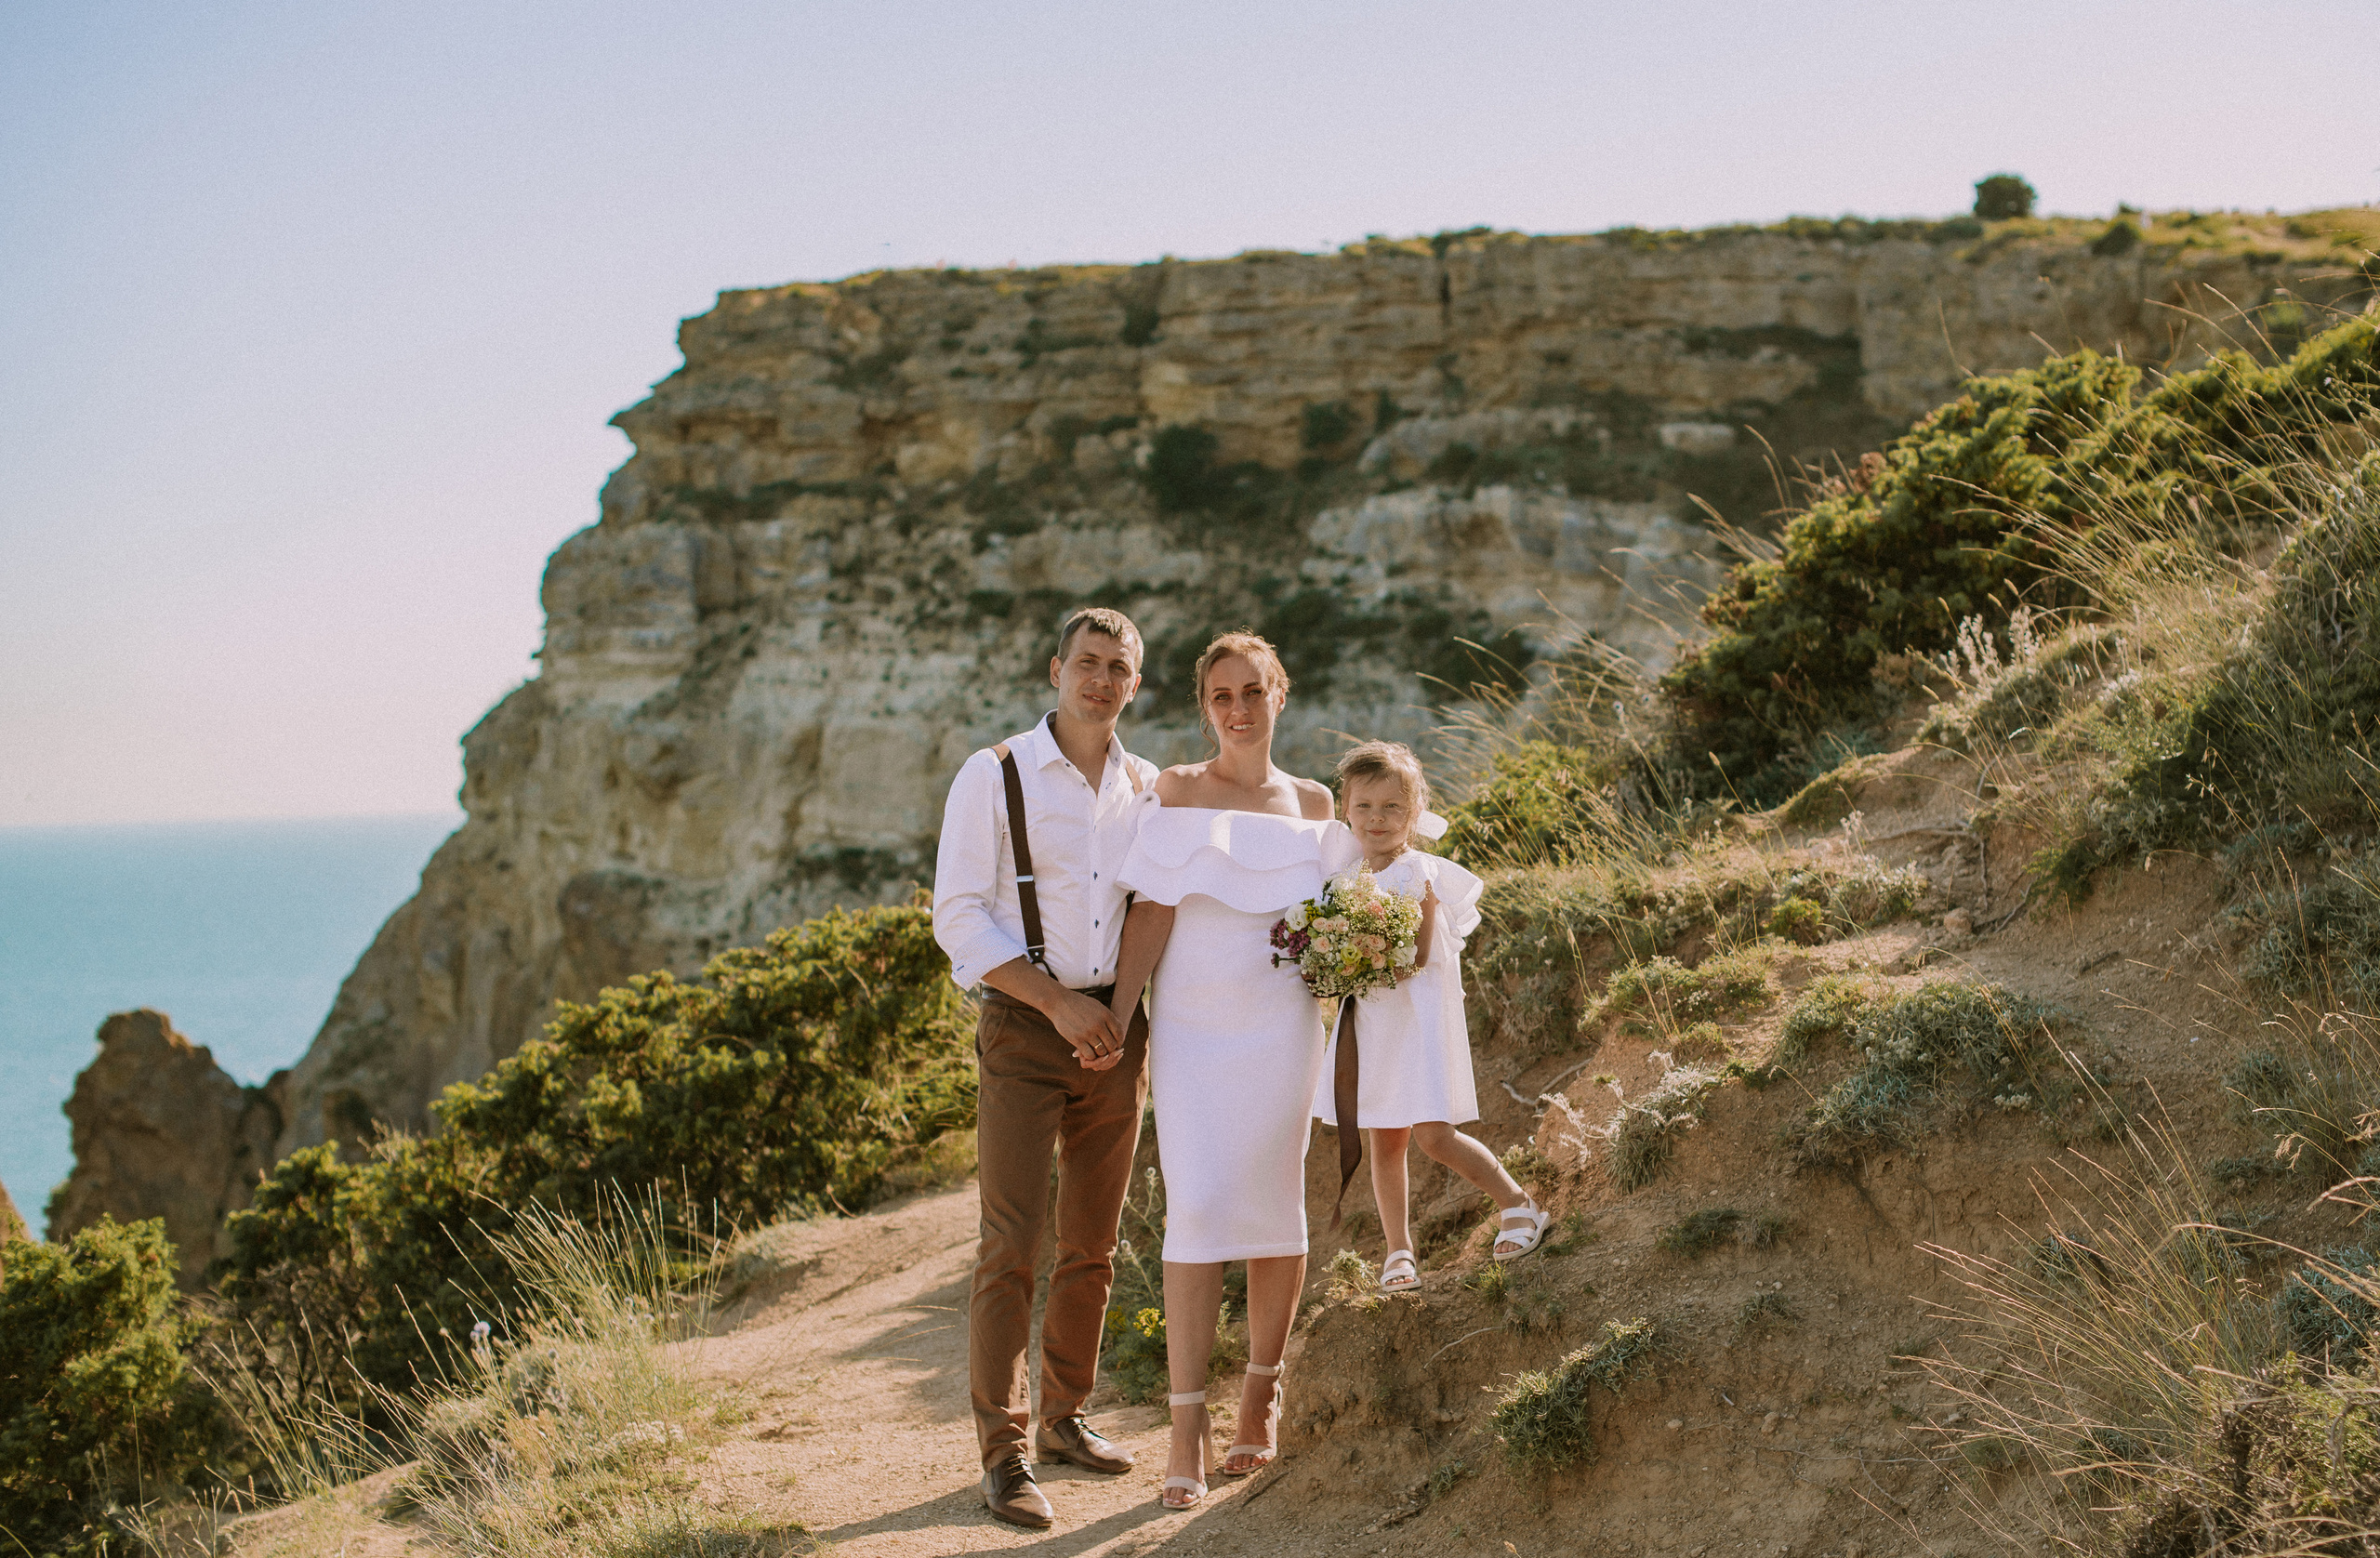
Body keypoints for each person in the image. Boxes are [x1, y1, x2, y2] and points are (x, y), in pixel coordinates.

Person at [1107, 630, 1356, 1511]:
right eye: (1222, 695)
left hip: (1282, 1023)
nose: (1239, 709)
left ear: (1279, 694)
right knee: (1200, 1209)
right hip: (1192, 1027)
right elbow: (1151, 911)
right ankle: (1185, 1424)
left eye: (1254, 690)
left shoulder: (1319, 802)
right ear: (1203, 706)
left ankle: (1261, 1390)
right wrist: (1117, 1016)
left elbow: (1344, 918)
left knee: (1273, 1202)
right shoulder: (1172, 791)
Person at [932, 606, 1160, 1531]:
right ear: (1054, 667)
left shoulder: (1147, 785)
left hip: (1119, 1029)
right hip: (1028, 1029)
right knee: (1010, 1244)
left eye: (1120, 667)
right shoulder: (994, 775)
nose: (1101, 679)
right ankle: (1005, 1451)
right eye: (1088, 662)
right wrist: (1058, 1003)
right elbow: (958, 915)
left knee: (1094, 1241)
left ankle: (1065, 1416)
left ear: (1134, 684)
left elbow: (1156, 903)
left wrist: (1118, 1007)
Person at [1312, 741, 1548, 1295]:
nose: (1377, 819)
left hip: (1416, 1017)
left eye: (1392, 808)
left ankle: (1519, 1203)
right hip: (1371, 1021)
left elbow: (1415, 955)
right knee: (1384, 1139)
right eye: (1364, 806)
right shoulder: (1345, 875)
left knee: (1434, 1135)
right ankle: (1399, 1250)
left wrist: (1363, 960)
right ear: (1345, 807)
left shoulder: (1418, 870)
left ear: (1414, 814)